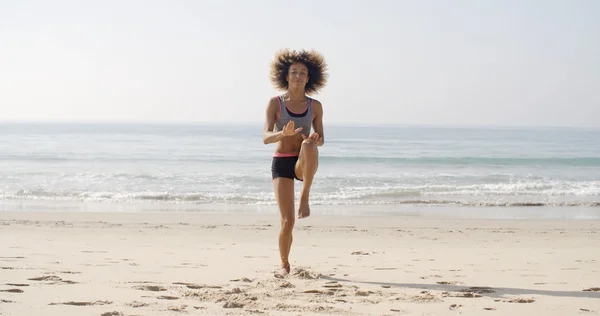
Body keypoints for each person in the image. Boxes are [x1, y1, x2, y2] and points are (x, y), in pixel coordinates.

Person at [262, 48, 328, 278]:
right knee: (287, 221)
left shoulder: (315, 106)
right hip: (281, 162)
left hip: (303, 160)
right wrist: (282, 134)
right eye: (294, 72)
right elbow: (265, 137)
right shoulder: (275, 103)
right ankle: (284, 265)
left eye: (302, 73)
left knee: (309, 145)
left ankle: (305, 196)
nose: (298, 76)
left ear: (308, 78)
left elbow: (321, 139)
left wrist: (316, 140)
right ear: (286, 76)